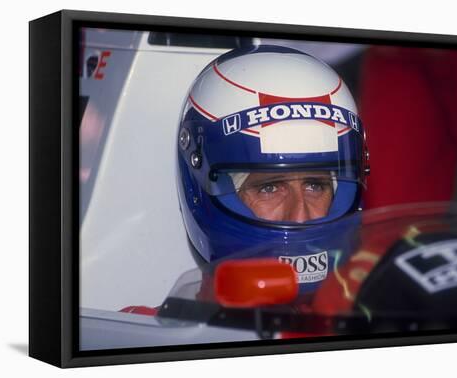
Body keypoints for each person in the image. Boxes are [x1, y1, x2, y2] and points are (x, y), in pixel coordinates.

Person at [122, 44, 368, 315]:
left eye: (315, 185)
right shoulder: (139, 337)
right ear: (202, 187)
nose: (300, 216)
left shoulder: (378, 328)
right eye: (269, 187)